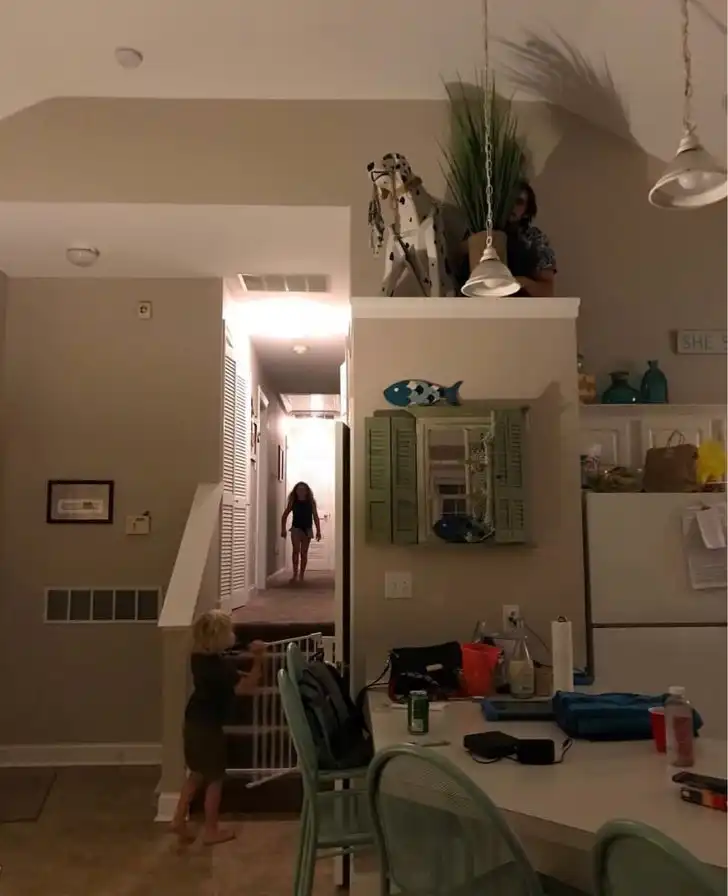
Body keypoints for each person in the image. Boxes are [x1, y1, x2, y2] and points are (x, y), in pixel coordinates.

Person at [171, 609, 266, 846]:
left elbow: (228, 675)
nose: (233, 635)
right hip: (208, 727)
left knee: (196, 773)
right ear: (219, 638)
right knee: (215, 779)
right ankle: (211, 830)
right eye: (229, 632)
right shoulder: (220, 668)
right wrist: (259, 659)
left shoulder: (198, 659)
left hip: (193, 722)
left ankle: (178, 818)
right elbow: (247, 687)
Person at [505, 180, 557, 297]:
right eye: (508, 200)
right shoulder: (480, 230)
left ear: (526, 211)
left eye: (519, 202)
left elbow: (547, 291)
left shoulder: (535, 239)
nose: (512, 206)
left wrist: (521, 282)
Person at [280, 481, 321, 585]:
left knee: (304, 553)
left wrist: (318, 531)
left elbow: (315, 516)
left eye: (303, 489)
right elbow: (284, 515)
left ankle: (301, 575)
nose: (301, 491)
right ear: (296, 491)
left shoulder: (311, 502)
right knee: (296, 551)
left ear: (307, 491)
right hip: (296, 529)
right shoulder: (293, 501)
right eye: (299, 489)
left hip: (307, 529)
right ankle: (295, 574)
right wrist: (283, 529)